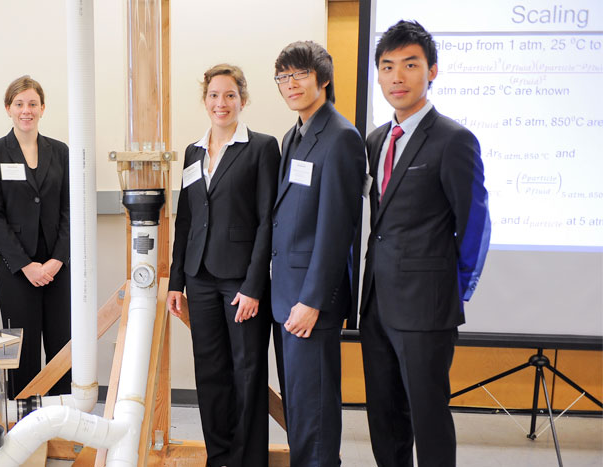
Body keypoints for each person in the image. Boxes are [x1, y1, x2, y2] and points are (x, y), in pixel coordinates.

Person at [360, 20, 491, 467]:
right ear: (378, 75)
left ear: (431, 71)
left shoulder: (453, 140)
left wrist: (455, 290)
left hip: (426, 308)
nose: (397, 77)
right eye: (387, 66)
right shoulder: (376, 140)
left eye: (410, 65)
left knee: (428, 417)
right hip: (376, 303)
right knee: (383, 414)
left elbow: (475, 223)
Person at [167, 64, 279, 467]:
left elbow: (268, 220)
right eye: (214, 95)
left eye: (229, 95)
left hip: (240, 281)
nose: (221, 103)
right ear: (205, 100)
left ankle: (249, 461)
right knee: (210, 373)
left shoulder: (262, 147)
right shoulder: (193, 152)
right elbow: (186, 219)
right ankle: (219, 457)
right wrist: (176, 282)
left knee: (247, 373)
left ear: (242, 100)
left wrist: (253, 285)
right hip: (198, 278)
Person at [270, 41, 365, 466]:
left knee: (316, 407)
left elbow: (336, 229)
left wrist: (311, 300)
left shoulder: (341, 137)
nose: (291, 85)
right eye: (283, 77)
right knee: (299, 406)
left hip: (310, 301)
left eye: (300, 75)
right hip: (286, 295)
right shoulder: (295, 133)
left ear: (323, 79)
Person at [0, 76, 71, 397]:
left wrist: (57, 260)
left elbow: (69, 210)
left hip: (58, 267)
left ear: (43, 108)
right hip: (16, 269)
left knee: (62, 346)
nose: (26, 110)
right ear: (8, 108)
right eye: (19, 104)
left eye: (32, 103)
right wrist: (26, 265)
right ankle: (26, 422)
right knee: (23, 348)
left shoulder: (60, 151)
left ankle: (62, 418)